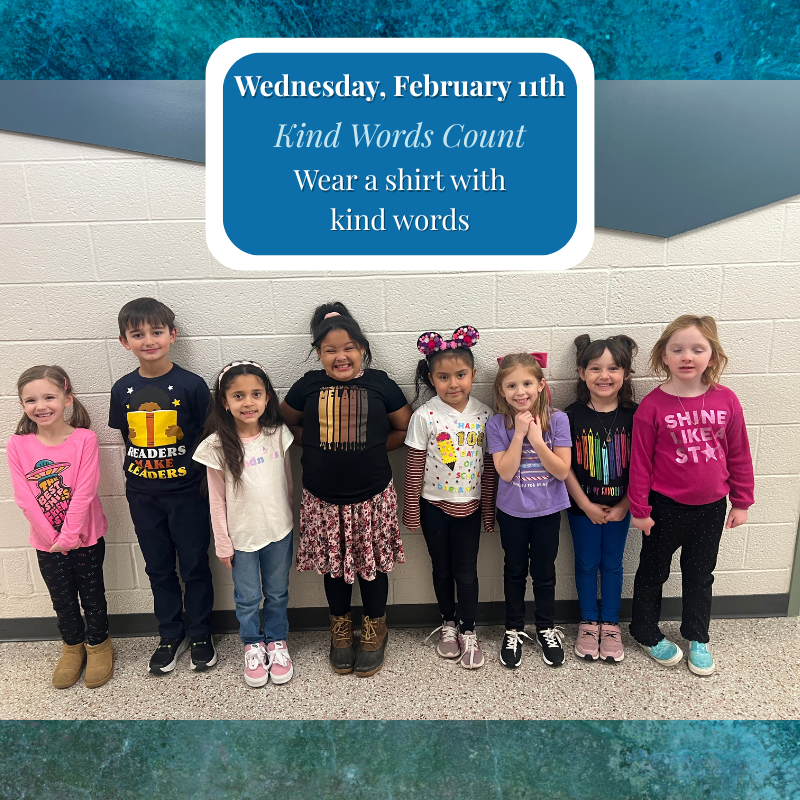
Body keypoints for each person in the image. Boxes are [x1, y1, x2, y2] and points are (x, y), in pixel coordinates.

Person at [280, 302, 411, 678]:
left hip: (372, 497)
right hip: (322, 499)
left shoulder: (380, 384)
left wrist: (373, 447)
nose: (341, 356)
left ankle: (374, 626)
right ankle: (340, 629)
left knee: (372, 568)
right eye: (330, 349)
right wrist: (316, 441)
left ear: (363, 350)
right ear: (318, 353)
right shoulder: (307, 385)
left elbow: (403, 428)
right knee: (333, 569)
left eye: (349, 347)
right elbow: (284, 424)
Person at [628, 315, 754, 676]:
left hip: (711, 509)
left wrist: (742, 500)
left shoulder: (726, 400)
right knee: (652, 573)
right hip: (664, 509)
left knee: (700, 575)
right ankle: (645, 632)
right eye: (677, 349)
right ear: (663, 356)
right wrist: (640, 508)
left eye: (697, 349)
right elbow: (640, 464)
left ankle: (697, 635)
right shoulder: (652, 407)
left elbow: (739, 453)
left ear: (711, 356)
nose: (687, 356)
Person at [108, 297, 216, 674]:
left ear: (172, 335)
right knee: (158, 568)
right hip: (143, 495)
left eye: (156, 332)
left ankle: (201, 632)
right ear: (124, 341)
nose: (148, 340)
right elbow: (127, 438)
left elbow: (208, 435)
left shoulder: (192, 384)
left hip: (187, 493)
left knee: (194, 566)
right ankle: (171, 633)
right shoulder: (122, 388)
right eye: (137, 334)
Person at [7, 365, 112, 689]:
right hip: (46, 543)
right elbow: (24, 497)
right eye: (31, 400)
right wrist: (52, 537)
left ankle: (99, 645)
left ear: (67, 398)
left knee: (92, 595)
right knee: (62, 599)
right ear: (23, 405)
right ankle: (72, 647)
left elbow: (85, 489)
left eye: (49, 396)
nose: (41, 405)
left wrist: (68, 535)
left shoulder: (84, 439)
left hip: (86, 537)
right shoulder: (17, 444)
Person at [193, 361, 295, 688]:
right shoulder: (215, 447)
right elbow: (216, 500)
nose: (248, 402)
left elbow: (288, 484)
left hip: (279, 531)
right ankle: (253, 643)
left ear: (267, 398)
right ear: (225, 402)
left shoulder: (278, 434)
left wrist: (291, 519)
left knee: (277, 592)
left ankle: (277, 641)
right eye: (238, 396)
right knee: (248, 597)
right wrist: (222, 542)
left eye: (256, 394)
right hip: (242, 538)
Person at [403, 326, 496, 669]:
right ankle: (448, 624)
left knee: (466, 572)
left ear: (473, 374)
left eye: (460, 375)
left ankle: (469, 630)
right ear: (431, 378)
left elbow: (490, 468)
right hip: (433, 508)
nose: (453, 384)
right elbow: (413, 467)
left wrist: (488, 511)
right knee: (441, 569)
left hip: (470, 510)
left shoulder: (485, 415)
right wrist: (411, 508)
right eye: (443, 377)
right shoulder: (424, 416)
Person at [486, 353, 572, 669]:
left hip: (548, 510)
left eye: (526, 383)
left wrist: (536, 439)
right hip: (512, 513)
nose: (520, 392)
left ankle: (546, 627)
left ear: (540, 385)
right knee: (514, 570)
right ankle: (514, 629)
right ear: (501, 391)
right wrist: (519, 434)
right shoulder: (497, 425)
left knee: (545, 571)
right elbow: (505, 473)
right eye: (511, 385)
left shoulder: (558, 420)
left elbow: (562, 471)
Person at [564, 334, 638, 663]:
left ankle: (610, 623)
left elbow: (644, 466)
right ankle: (588, 622)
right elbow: (564, 468)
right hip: (583, 508)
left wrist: (625, 505)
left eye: (613, 368)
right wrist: (585, 505)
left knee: (612, 564)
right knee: (585, 563)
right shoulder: (569, 415)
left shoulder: (637, 415)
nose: (604, 376)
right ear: (581, 372)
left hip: (622, 508)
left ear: (625, 373)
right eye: (595, 368)